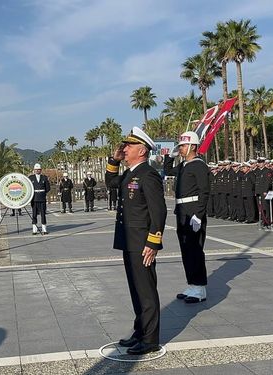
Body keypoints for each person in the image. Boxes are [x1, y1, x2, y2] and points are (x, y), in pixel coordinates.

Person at [105, 126, 166, 355]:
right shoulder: (131, 173)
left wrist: (153, 242)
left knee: (146, 291)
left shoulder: (148, 175)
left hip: (142, 244)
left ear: (142, 150)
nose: (125, 148)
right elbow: (111, 182)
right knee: (136, 290)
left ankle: (150, 339)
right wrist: (114, 159)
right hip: (129, 242)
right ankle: (140, 332)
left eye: (129, 145)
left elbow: (158, 211)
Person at [163, 131, 209, 303]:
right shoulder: (183, 166)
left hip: (193, 211)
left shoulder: (199, 165)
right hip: (182, 211)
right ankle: (192, 284)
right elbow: (167, 170)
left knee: (195, 249)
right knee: (186, 249)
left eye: (182, 146)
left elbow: (204, 191)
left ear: (193, 146)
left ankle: (200, 288)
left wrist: (198, 214)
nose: (180, 149)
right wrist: (170, 156)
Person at [29, 163, 50, 234]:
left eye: (39, 169)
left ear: (41, 170)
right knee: (34, 214)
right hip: (34, 199)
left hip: (42, 198)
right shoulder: (30, 178)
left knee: (43, 214)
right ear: (34, 170)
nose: (37, 171)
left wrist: (42, 193)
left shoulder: (44, 177)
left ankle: (44, 229)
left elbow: (48, 188)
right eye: (36, 169)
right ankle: (34, 229)